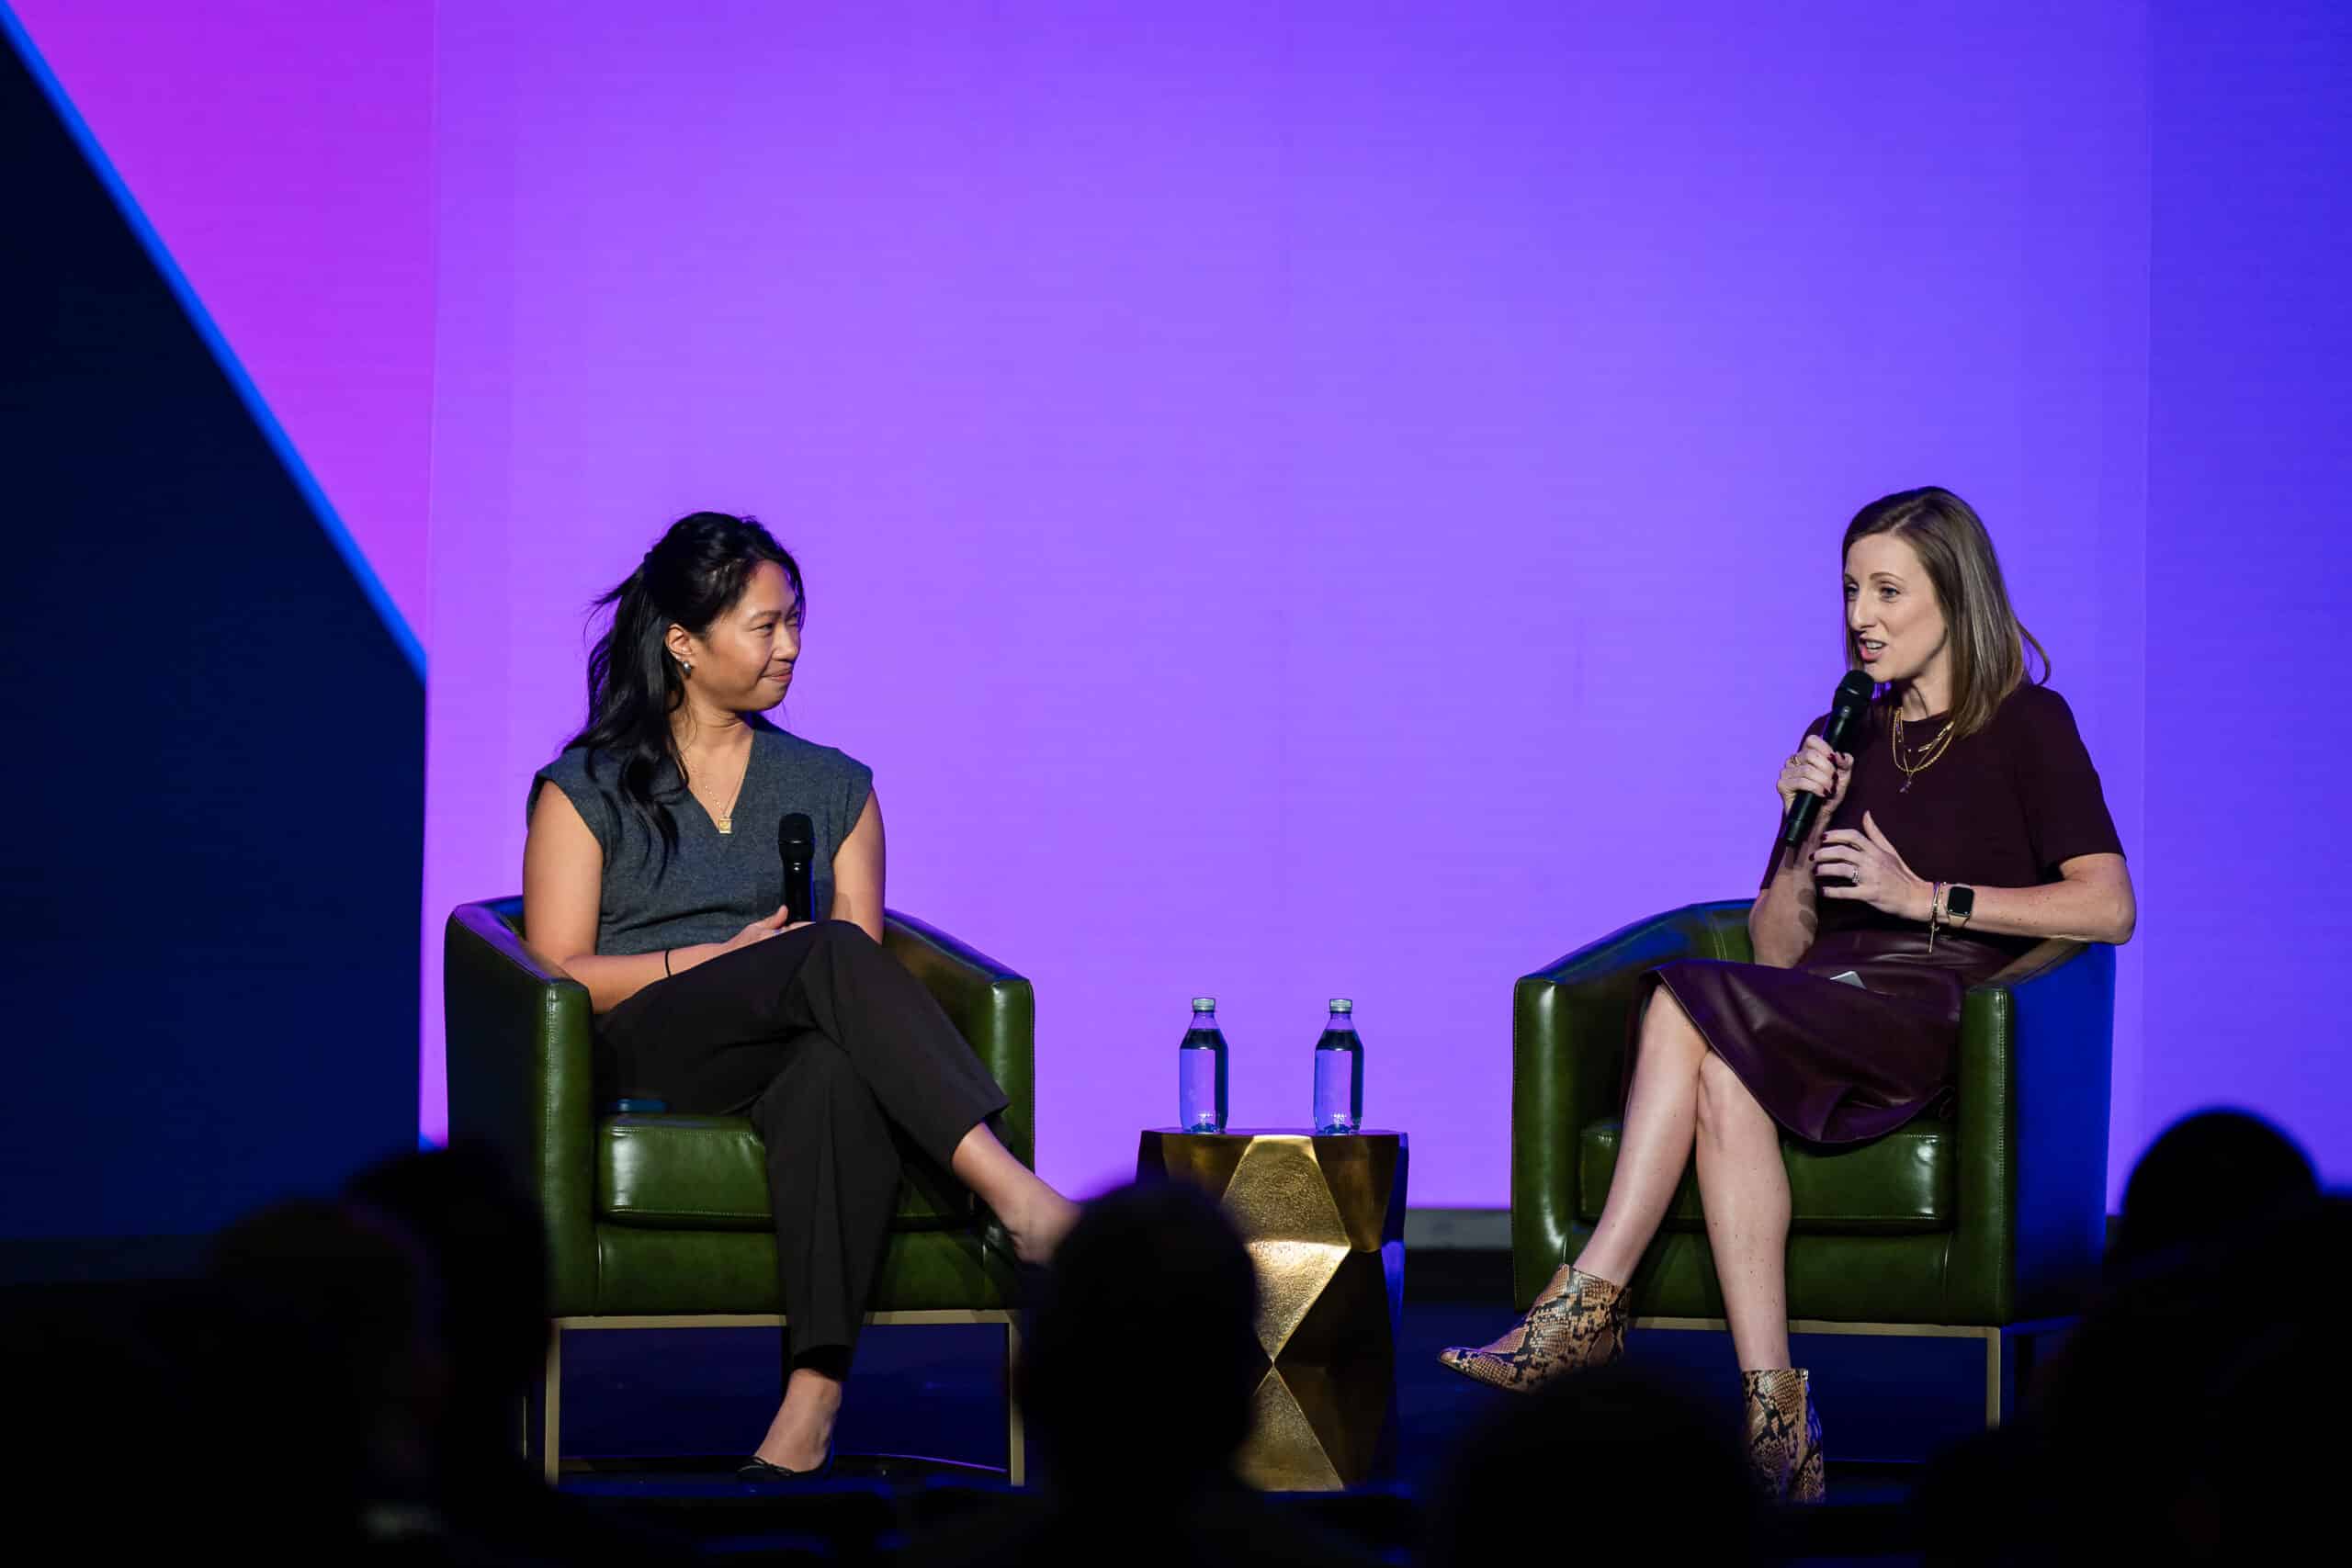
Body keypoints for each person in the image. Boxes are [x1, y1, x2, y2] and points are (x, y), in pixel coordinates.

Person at [1440, 486, 2137, 1503]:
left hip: (1932, 1007)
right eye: (1850, 589)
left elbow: (2108, 904)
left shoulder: (2027, 723)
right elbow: (1775, 948)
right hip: (1820, 999)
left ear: (1954, 596)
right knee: (1723, 1078)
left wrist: (1923, 897)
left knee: (1680, 997)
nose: (1861, 616)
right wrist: (1802, 827)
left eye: (1888, 590)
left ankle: (1586, 1304)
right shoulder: (1843, 730)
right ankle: (1776, 1419)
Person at [523, 511, 1077, 1481]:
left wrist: (781, 964)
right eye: (765, 626)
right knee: (824, 953)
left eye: (794, 623)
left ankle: (810, 1408)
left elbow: (862, 977)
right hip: (650, 1043)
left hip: (791, 1038)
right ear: (685, 644)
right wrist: (711, 958)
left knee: (831, 1065)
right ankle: (1015, 1196)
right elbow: (561, 969)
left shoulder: (834, 786)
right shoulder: (587, 787)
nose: (791, 646)